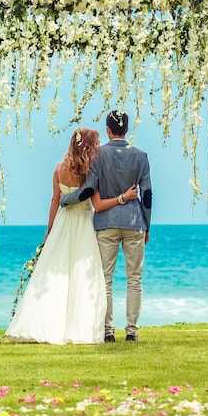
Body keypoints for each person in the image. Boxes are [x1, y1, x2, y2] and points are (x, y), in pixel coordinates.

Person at [5, 127, 137, 344]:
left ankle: (45, 323)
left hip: (63, 222)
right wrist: (123, 198)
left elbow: (55, 200)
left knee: (55, 272)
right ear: (89, 146)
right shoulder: (90, 171)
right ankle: (79, 328)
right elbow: (97, 203)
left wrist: (49, 229)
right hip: (84, 223)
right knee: (83, 275)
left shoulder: (59, 168)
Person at [60, 110, 152, 342]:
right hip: (134, 222)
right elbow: (147, 195)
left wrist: (65, 199)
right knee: (134, 279)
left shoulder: (97, 156)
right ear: (127, 129)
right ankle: (132, 331)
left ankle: (108, 331)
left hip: (106, 223)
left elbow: (89, 190)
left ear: (108, 130)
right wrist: (147, 225)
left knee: (105, 279)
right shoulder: (141, 156)